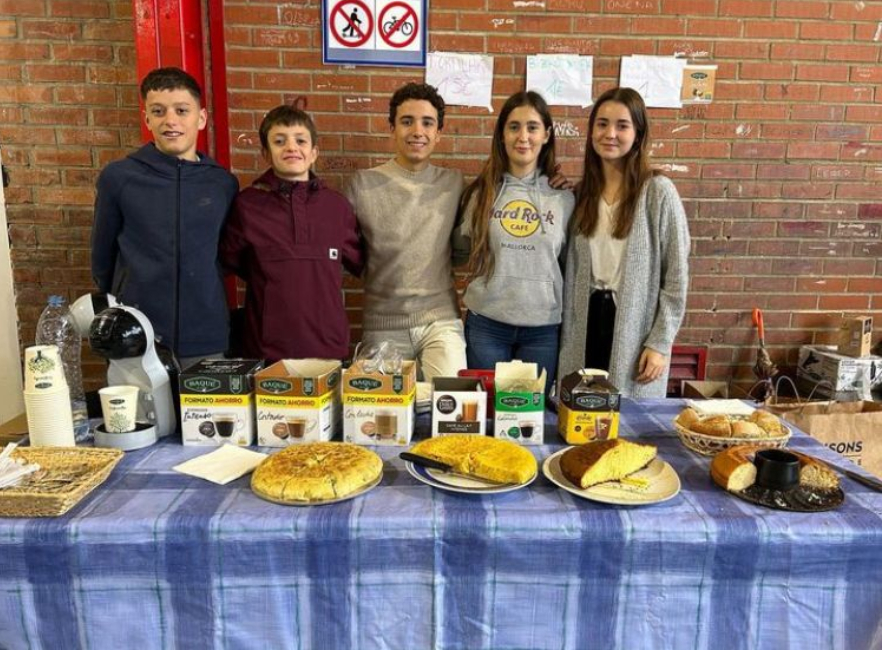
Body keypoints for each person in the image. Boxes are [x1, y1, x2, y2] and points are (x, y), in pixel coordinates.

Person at [91, 67, 238, 367]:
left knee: (206, 415)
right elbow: (102, 257)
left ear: (201, 118)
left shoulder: (222, 183)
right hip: (135, 335)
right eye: (158, 111)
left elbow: (227, 253)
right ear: (147, 118)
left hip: (204, 334)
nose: (170, 120)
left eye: (181, 110)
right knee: (141, 416)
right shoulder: (119, 177)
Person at [557, 87, 690, 398]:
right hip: (584, 324)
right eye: (602, 124)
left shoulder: (658, 192)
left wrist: (660, 342)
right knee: (580, 414)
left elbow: (677, 278)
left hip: (633, 326)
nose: (610, 133)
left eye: (622, 125)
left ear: (638, 134)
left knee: (629, 421)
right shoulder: (580, 197)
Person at [344, 83, 466, 400]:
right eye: (407, 121)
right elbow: (347, 251)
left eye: (427, 122)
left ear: (439, 132)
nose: (417, 131)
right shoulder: (362, 184)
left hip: (440, 321)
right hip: (382, 323)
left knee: (451, 406)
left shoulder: (454, 184)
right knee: (374, 415)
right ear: (392, 129)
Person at [219, 105, 363, 362]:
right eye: (279, 141)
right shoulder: (247, 205)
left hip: (329, 349)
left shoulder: (337, 207)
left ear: (314, 152)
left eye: (300, 140)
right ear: (266, 153)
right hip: (266, 352)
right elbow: (231, 262)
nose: (291, 147)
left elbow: (359, 261)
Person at [453, 91, 574, 393]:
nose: (523, 136)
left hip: (543, 328)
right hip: (487, 325)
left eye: (532, 127)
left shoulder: (564, 198)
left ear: (546, 135)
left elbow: (568, 263)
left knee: (530, 421)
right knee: (488, 416)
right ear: (502, 135)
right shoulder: (480, 193)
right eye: (514, 126)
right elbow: (461, 252)